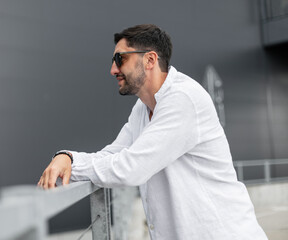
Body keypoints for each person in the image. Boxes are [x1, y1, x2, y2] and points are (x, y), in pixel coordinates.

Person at [37, 24, 267, 240]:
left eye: (121, 58)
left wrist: (73, 165)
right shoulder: (142, 109)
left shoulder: (183, 99)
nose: (113, 69)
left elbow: (131, 168)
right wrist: (67, 158)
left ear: (149, 59)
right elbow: (113, 154)